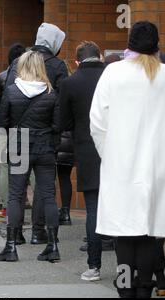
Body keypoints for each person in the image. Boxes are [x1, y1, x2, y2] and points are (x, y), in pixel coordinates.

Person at [90, 21, 165, 298]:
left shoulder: (112, 72)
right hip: (155, 167)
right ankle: (144, 288)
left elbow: (97, 122)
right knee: (147, 235)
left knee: (123, 235)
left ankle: (124, 289)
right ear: (156, 45)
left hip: (120, 166)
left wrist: (111, 153)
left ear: (129, 43)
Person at [5, 23, 69, 245]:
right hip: (45, 139)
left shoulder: (17, 63)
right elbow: (61, 108)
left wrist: (11, 130)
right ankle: (39, 233)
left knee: (16, 191)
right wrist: (55, 133)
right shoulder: (58, 66)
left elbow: (2, 105)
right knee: (45, 190)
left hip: (19, 139)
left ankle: (14, 237)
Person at [0, 51, 60, 262]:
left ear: (21, 67)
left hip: (19, 145)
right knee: (48, 196)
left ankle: (11, 246)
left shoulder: (12, 91)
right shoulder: (51, 93)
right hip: (45, 147)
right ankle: (52, 245)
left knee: (15, 195)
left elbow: (2, 121)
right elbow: (58, 124)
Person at [60, 41, 106, 281]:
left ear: (77, 61)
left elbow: (63, 122)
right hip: (117, 150)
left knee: (93, 210)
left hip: (87, 151)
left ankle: (94, 266)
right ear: (100, 56)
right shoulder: (111, 78)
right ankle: (132, 266)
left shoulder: (70, 83)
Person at [0, 43, 27, 238]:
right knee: (27, 167)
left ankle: (5, 206)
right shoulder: (32, 78)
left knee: (4, 167)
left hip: (5, 130)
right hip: (27, 130)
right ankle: (29, 203)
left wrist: (1, 125)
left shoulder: (1, 78)